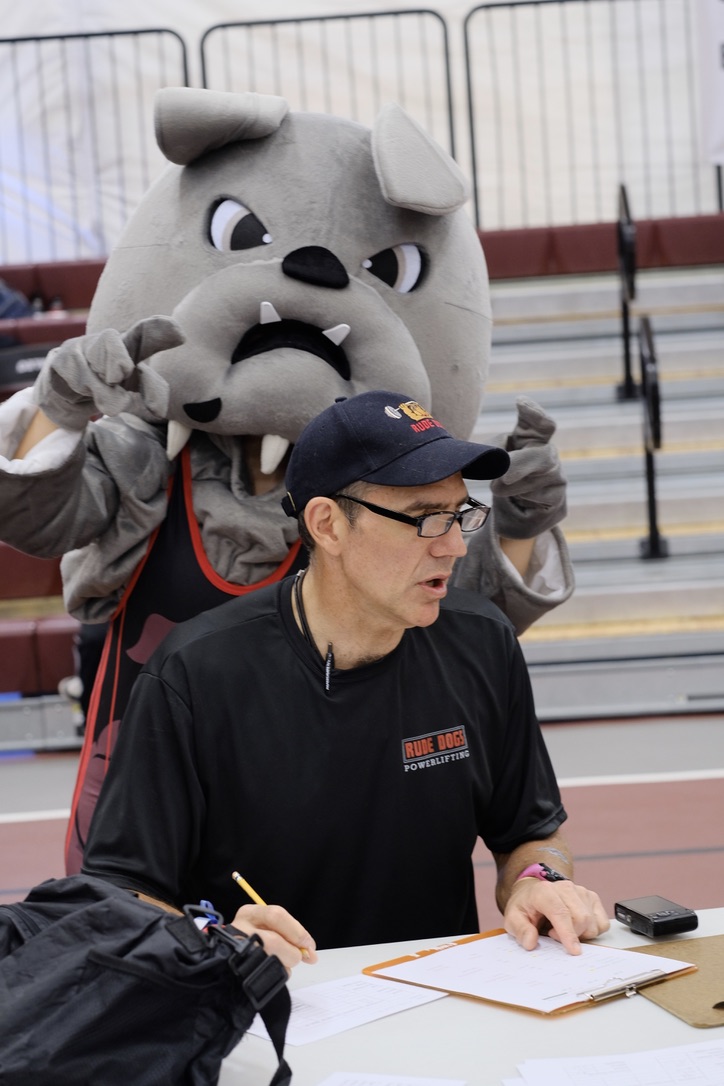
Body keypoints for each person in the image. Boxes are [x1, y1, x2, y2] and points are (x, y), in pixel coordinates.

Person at [82, 390, 608, 959]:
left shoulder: (483, 641)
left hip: (437, 996)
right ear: (327, 525)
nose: (455, 545)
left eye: (461, 514)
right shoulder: (195, 671)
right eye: (426, 519)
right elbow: (123, 890)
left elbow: (530, 833)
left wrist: (538, 880)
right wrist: (217, 941)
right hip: (268, 999)